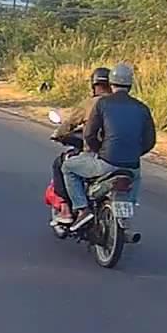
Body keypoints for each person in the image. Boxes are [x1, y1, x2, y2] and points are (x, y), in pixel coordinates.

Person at [62, 63, 157, 230]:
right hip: (132, 166)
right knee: (135, 178)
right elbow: (150, 141)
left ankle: (82, 209)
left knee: (68, 167)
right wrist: (133, 153)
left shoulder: (102, 104)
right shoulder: (142, 108)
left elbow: (89, 134)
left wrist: (100, 151)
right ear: (130, 84)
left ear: (111, 83)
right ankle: (126, 213)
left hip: (107, 162)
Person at [49, 67, 113, 224]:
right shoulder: (122, 105)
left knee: (64, 165)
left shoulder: (90, 104)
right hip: (123, 158)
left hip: (97, 156)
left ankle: (74, 209)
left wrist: (57, 134)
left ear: (94, 85)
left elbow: (70, 124)